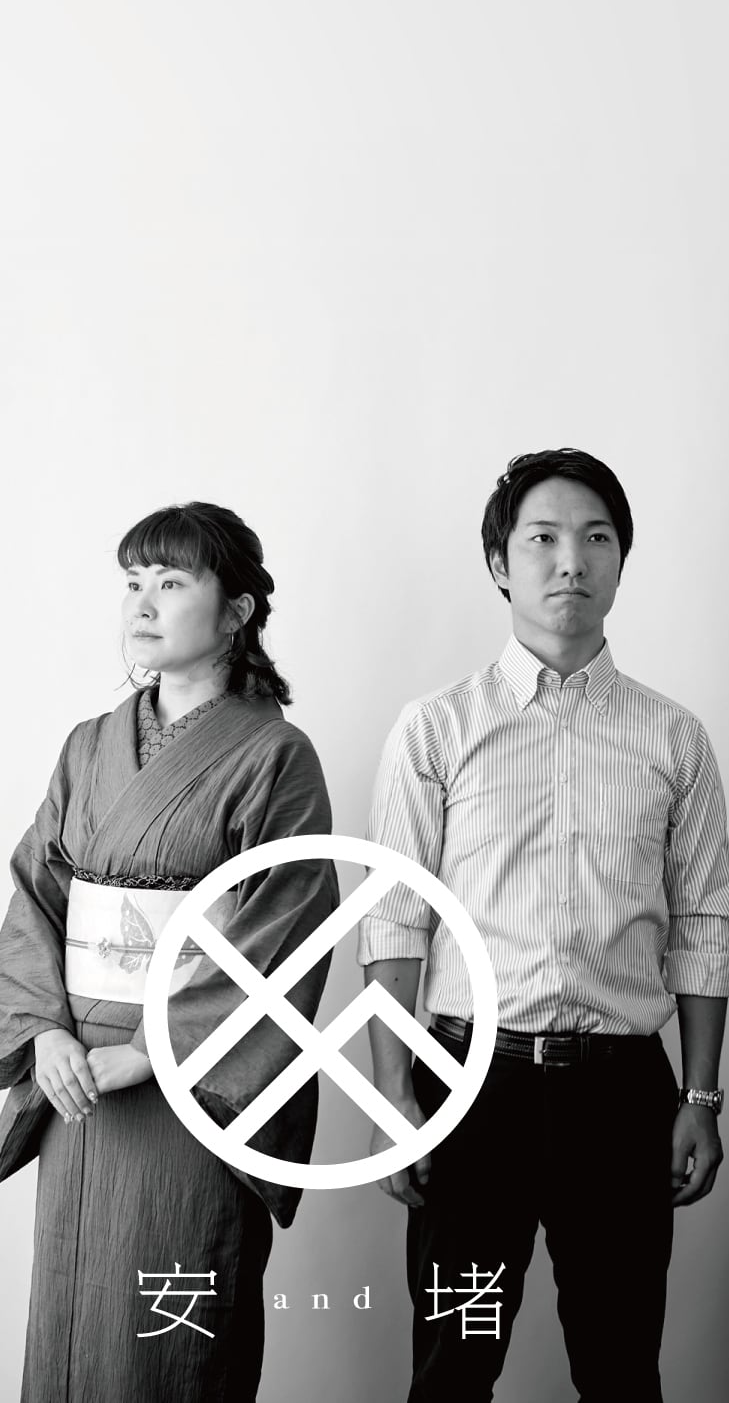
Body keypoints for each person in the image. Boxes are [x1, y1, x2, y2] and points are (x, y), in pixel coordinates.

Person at [358, 448, 729, 1403]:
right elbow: (395, 918)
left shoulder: (674, 737)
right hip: (468, 1084)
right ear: (500, 562)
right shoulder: (436, 728)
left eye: (596, 538)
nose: (571, 560)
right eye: (543, 539)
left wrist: (700, 1094)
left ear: (620, 559)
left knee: (620, 1372)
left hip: (620, 1097)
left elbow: (702, 921)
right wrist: (394, 1096)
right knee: (452, 1370)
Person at [0, 501, 338, 1403]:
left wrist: (153, 1050)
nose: (142, 603)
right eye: (133, 582)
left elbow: (288, 926)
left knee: (171, 1328)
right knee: (72, 1314)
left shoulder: (275, 755)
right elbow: (36, 893)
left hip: (190, 1085)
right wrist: (43, 1031)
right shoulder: (89, 745)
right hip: (76, 1076)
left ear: (237, 611)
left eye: (172, 581)